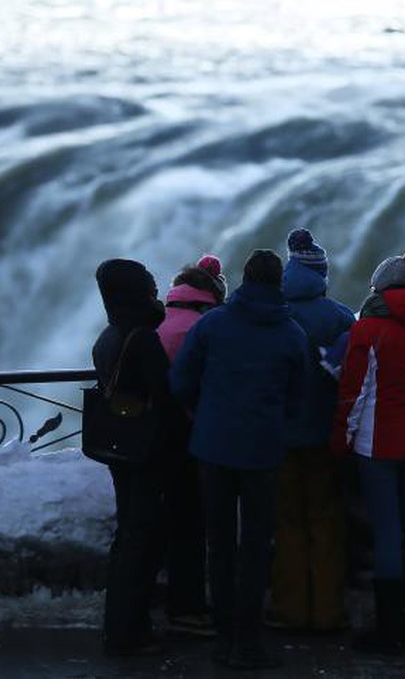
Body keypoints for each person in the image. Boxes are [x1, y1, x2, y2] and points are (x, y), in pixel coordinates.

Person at [171, 250, 308, 669]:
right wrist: (274, 423)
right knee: (254, 546)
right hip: (262, 452)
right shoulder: (290, 333)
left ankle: (223, 640)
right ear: (278, 284)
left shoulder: (214, 323)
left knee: (220, 544)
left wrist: (204, 413)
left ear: (244, 279)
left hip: (212, 448)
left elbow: (180, 379)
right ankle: (249, 642)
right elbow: (300, 397)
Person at [331, 248, 405, 654]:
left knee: (387, 531)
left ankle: (388, 629)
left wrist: (342, 439)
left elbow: (355, 393)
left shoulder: (368, 330)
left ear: (378, 288)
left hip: (375, 446)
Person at [91, 258, 186, 656]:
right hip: (147, 453)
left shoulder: (107, 337)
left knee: (126, 535)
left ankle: (123, 626)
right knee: (141, 540)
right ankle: (127, 633)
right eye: (148, 284)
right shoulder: (143, 338)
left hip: (120, 450)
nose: (155, 290)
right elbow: (165, 398)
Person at [267, 229, 356, 633]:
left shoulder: (273, 313)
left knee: (286, 523)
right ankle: (327, 611)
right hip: (323, 435)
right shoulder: (338, 316)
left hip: (279, 436)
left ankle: (288, 609)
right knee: (325, 522)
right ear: (321, 275)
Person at [153, 254, 227, 637]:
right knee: (190, 525)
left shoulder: (159, 322)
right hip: (188, 436)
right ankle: (189, 608)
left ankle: (155, 598)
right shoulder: (204, 328)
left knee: (159, 521)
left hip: (149, 438)